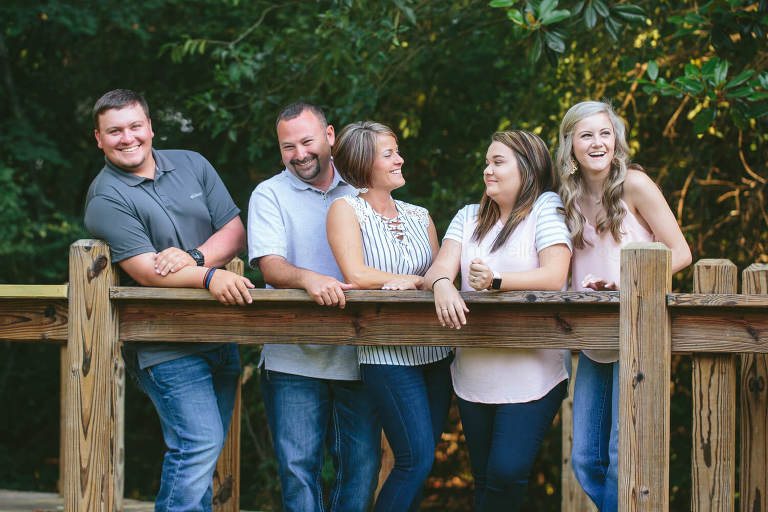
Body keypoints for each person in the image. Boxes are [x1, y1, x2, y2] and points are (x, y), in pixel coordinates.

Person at [84, 89, 254, 512]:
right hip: (164, 344)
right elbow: (145, 271)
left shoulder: (193, 164)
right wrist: (210, 275)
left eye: (135, 126)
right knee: (198, 445)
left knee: (202, 452)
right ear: (99, 139)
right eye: (115, 131)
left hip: (220, 335)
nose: (127, 138)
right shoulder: (106, 197)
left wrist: (196, 258)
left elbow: (234, 232)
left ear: (150, 127)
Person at [423, 130, 571, 511]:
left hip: (533, 374)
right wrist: (442, 284)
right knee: (486, 477)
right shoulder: (467, 216)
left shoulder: (547, 207)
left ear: (527, 166)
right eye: (487, 162)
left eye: (497, 162)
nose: (487, 170)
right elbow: (441, 266)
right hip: (474, 374)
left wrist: (497, 282)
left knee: (507, 471)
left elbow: (554, 275)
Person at [556, 100, 692, 511]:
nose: (598, 143)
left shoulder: (634, 184)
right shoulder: (567, 196)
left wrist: (626, 283)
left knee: (620, 459)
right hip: (596, 341)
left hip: (637, 331)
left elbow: (681, 252)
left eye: (605, 133)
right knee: (584, 461)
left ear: (616, 140)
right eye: (586, 135)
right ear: (570, 147)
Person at [247, 103, 380, 512]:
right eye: (288, 146)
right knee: (297, 469)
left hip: (360, 355)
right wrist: (311, 279)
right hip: (292, 357)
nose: (299, 154)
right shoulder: (269, 193)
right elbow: (269, 264)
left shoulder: (362, 188)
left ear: (330, 136)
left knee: (360, 468)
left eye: (307, 141)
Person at [325, 121, 452, 512]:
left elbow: (438, 276)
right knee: (414, 460)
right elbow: (357, 275)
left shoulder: (421, 215)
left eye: (397, 151)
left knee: (420, 463)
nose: (400, 159)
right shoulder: (345, 209)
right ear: (365, 163)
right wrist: (416, 281)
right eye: (389, 154)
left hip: (435, 353)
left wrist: (418, 282)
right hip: (386, 355)